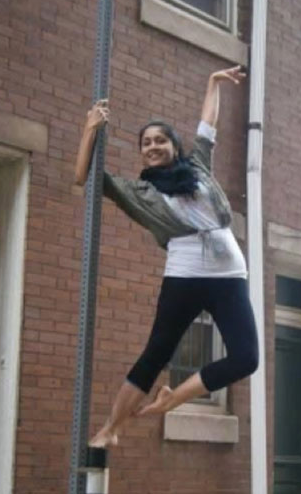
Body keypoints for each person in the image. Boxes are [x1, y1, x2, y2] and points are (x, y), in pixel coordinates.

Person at [75, 66, 259, 447]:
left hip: (229, 273)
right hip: (185, 271)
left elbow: (209, 123)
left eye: (160, 140)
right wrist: (91, 128)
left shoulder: (197, 168)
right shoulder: (138, 192)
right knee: (157, 351)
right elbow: (85, 177)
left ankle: (173, 397)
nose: (153, 146)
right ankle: (111, 428)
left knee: (246, 358)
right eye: (146, 143)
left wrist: (212, 82)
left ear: (174, 145)